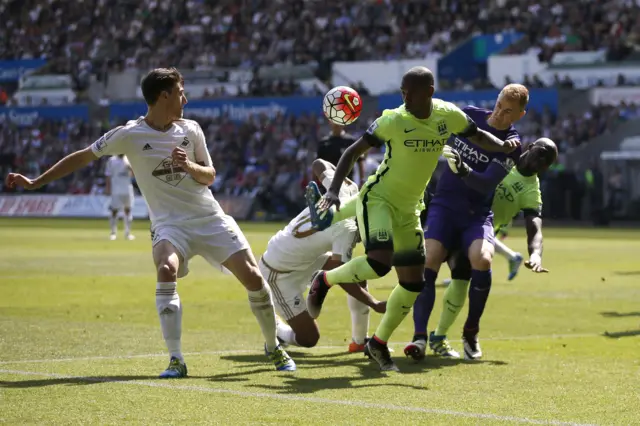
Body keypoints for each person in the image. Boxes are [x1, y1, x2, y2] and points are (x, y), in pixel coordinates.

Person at [5, 67, 296, 377]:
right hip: (170, 225)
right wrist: (37, 182)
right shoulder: (129, 134)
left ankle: (272, 346)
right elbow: (83, 156)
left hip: (208, 218)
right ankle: (176, 359)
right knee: (166, 268)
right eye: (181, 92)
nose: (185, 98)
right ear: (164, 95)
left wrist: (188, 166)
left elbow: (209, 175)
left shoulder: (191, 129)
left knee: (253, 278)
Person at [305, 66, 519, 371]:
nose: (405, 97)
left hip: (409, 208)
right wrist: (335, 190)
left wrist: (502, 146)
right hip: (378, 199)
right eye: (403, 92)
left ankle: (378, 343)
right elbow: (353, 152)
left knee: (413, 284)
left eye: (410, 92)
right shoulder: (394, 119)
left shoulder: (447, 115)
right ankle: (324, 279)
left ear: (429, 92)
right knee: (379, 263)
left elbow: (477, 135)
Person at [408, 84, 529, 361]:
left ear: (519, 115)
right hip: (444, 205)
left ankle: (470, 332)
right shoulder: (468, 116)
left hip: (475, 214)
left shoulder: (512, 144)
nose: (500, 112)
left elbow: (486, 184)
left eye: (508, 110)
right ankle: (419, 337)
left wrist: (464, 169)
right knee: (429, 259)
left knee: (483, 259)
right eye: (499, 104)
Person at [425, 138, 558, 359]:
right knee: (416, 271)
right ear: (531, 145)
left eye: (547, 161)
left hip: (476, 232)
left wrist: (535, 254)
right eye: (541, 151)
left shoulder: (531, 190)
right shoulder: (503, 155)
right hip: (450, 213)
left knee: (461, 277)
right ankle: (408, 335)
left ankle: (443, 336)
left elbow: (535, 228)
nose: (541, 159)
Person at [260, 159, 385, 352]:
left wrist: (333, 186)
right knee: (309, 338)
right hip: (279, 272)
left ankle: (359, 341)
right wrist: (374, 303)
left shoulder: (348, 191)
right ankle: (280, 331)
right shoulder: (348, 229)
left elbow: (318, 164)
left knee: (358, 272)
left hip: (303, 256)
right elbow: (342, 276)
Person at [104, 154, 135, 240]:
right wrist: (107, 188)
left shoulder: (129, 158)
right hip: (116, 189)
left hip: (127, 189)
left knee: (128, 210)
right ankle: (113, 233)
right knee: (114, 210)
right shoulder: (111, 160)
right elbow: (108, 175)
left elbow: (134, 174)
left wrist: (130, 168)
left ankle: (127, 233)